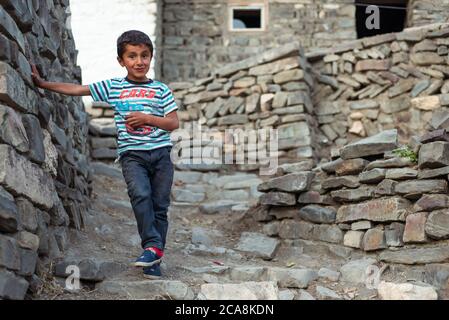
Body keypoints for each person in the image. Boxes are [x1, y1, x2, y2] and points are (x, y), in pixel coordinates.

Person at [31, 30, 179, 280]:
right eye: (132, 56)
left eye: (145, 55)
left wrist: (147, 118)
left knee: (160, 208)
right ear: (121, 60)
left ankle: (154, 257)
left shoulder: (161, 90)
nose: (139, 61)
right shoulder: (114, 87)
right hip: (133, 156)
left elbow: (173, 123)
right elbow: (78, 90)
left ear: (151, 57)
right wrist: (44, 85)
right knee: (141, 195)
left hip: (161, 155)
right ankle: (151, 246)